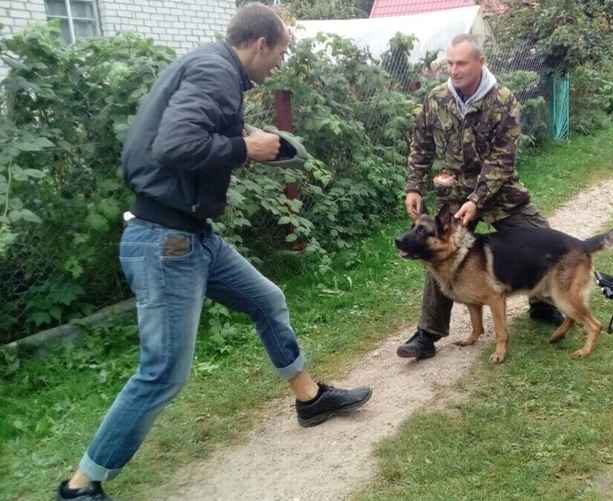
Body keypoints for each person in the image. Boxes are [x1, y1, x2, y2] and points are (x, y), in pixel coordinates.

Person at [56, 4, 372, 500]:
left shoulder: (214, 70)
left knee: (267, 300)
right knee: (163, 373)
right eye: (282, 52)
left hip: (193, 236)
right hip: (167, 242)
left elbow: (197, 142)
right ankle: (81, 486)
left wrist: (260, 144)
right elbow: (176, 145)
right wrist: (247, 149)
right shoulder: (214, 70)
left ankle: (309, 399)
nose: (280, 64)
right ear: (260, 43)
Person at [397, 34, 564, 360]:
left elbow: (503, 160)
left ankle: (541, 304)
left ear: (480, 62)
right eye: (450, 63)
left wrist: (478, 200)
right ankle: (427, 334)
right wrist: (414, 186)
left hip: (499, 192)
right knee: (440, 254)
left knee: (544, 237)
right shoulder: (436, 99)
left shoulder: (503, 100)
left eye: (461, 63)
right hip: (455, 198)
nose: (454, 70)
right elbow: (420, 147)